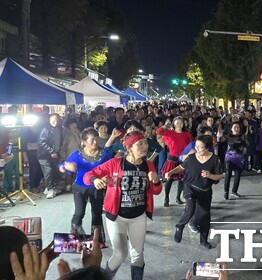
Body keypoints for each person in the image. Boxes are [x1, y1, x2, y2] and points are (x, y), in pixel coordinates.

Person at [84, 131, 162, 279]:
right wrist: (95, 180)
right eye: (140, 144)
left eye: (146, 143)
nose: (145, 147)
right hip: (116, 216)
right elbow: (87, 176)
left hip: (139, 216)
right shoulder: (115, 163)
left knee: (138, 255)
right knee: (120, 254)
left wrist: (156, 181)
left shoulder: (149, 165)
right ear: (129, 148)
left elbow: (156, 191)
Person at [165, 135, 224, 249]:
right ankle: (180, 226)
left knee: (204, 217)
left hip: (205, 191)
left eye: (200, 147)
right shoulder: (191, 157)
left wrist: (210, 175)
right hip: (190, 187)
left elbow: (220, 176)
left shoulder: (214, 159)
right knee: (190, 208)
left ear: (207, 148)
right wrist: (171, 172)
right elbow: (181, 168)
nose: (197, 149)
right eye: (196, 146)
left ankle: (203, 240)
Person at [60, 128, 116, 239]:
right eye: (92, 140)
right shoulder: (76, 155)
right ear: (84, 142)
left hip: (97, 187)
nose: (95, 142)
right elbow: (62, 167)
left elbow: (113, 169)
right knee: (79, 213)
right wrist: (65, 167)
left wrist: (107, 179)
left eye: (96, 139)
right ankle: (76, 237)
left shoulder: (104, 154)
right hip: (80, 187)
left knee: (97, 213)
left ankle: (97, 239)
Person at [157, 116, 194, 207]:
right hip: (172, 159)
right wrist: (165, 126)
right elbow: (158, 132)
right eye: (177, 123)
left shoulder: (187, 134)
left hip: (182, 159)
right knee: (169, 179)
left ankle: (178, 197)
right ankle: (166, 198)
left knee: (182, 180)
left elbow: (191, 144)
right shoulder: (170, 133)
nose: (179, 125)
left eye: (181, 123)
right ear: (174, 124)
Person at [38, 113, 63, 199]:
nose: (55, 122)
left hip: (55, 154)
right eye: (53, 121)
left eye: (57, 120)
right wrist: (51, 151)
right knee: (48, 171)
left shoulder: (59, 129)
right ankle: (51, 189)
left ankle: (49, 187)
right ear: (49, 120)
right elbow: (41, 142)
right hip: (44, 155)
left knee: (54, 171)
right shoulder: (45, 129)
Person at [223, 121, 247, 200]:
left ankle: (234, 191)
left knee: (237, 175)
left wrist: (244, 150)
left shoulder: (242, 137)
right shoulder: (227, 136)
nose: (236, 129)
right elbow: (220, 141)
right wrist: (219, 135)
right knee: (228, 174)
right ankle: (226, 191)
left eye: (238, 127)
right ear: (231, 128)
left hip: (239, 158)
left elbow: (245, 146)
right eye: (235, 127)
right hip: (229, 158)